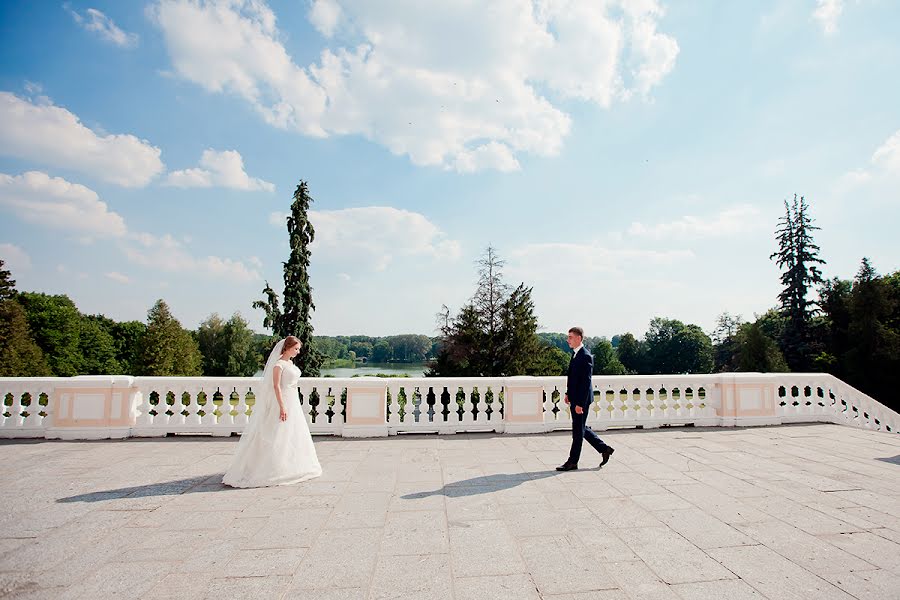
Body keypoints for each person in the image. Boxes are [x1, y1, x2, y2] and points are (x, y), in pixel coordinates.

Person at [223, 336, 322, 487]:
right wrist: (282, 406)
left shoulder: (290, 363)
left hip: (293, 400)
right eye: (295, 349)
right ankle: (269, 467)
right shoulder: (278, 365)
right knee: (276, 431)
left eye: (298, 349)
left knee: (293, 432)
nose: (298, 352)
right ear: (286, 348)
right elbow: (276, 386)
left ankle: (292, 465)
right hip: (282, 401)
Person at [556, 327, 614, 471]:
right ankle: (604, 449)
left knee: (577, 432)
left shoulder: (585, 356)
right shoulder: (576, 354)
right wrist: (568, 393)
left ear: (579, 338)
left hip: (581, 401)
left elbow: (585, 382)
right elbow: (574, 378)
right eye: (568, 337)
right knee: (581, 428)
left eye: (570, 337)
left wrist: (580, 404)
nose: (567, 340)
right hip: (575, 398)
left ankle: (572, 461)